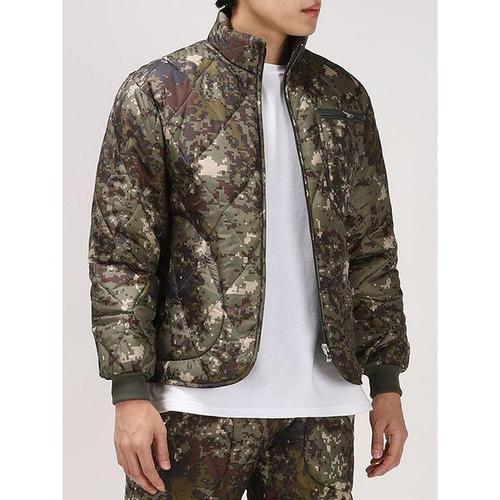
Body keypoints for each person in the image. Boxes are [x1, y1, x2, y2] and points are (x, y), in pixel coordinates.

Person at [88, 0, 410, 498]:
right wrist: (128, 391)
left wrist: (385, 382)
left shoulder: (343, 96)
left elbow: (371, 248)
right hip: (194, 405)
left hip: (320, 409)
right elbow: (122, 255)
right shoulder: (160, 90)